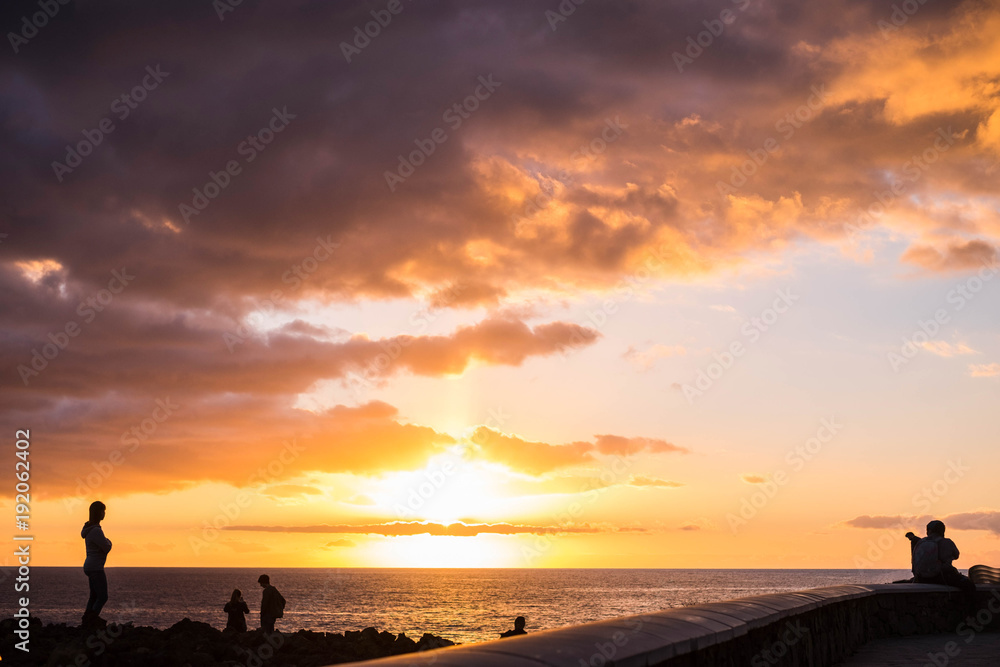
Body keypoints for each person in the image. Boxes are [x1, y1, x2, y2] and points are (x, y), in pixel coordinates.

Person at [906, 520, 977, 600]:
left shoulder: (920, 542)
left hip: (922, 578)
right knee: (969, 585)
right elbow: (956, 555)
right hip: (941, 577)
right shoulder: (947, 542)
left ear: (929, 531)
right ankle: (970, 610)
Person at [81, 501, 112, 628]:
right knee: (103, 597)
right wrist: (110, 542)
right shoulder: (96, 531)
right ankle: (91, 621)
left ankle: (87, 620)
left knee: (94, 596)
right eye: (102, 511)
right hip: (95, 567)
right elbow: (106, 547)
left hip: (90, 565)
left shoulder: (90, 530)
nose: (104, 513)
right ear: (98, 513)